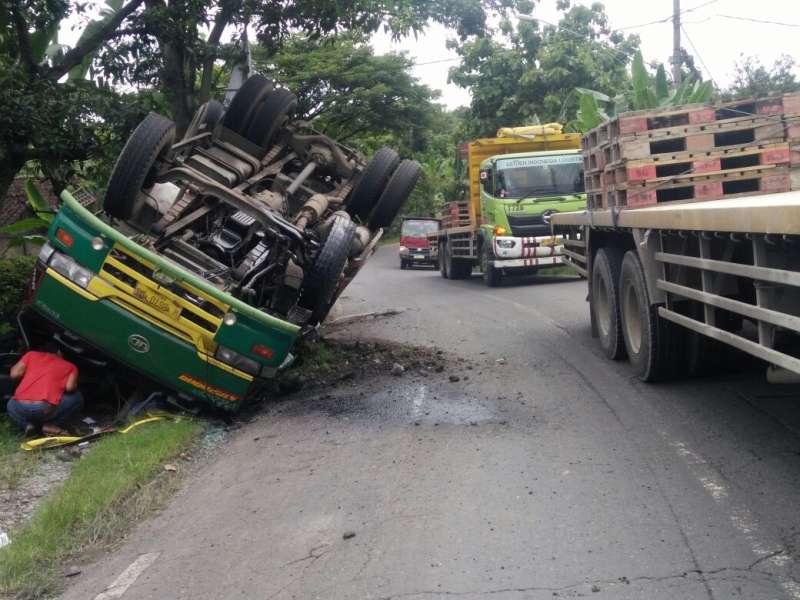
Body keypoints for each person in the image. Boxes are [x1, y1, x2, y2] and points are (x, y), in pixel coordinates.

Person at [6, 341, 83, 436]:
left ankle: (27, 425)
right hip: (42, 409)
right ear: (59, 352)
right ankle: (51, 425)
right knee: (77, 397)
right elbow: (70, 388)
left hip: (19, 407)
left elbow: (14, 374)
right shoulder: (70, 366)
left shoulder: (31, 355)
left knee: (10, 404)